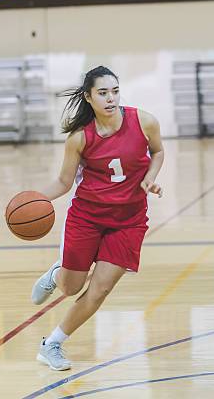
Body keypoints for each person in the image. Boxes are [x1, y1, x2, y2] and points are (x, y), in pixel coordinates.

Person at [30, 66, 164, 370]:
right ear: (89, 98)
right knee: (71, 288)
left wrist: (151, 178)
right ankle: (57, 274)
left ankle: (51, 345)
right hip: (87, 218)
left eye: (115, 91)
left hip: (129, 221)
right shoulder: (79, 138)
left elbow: (157, 152)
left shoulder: (144, 121)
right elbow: (64, 182)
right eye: (103, 93)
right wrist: (33, 198)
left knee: (101, 289)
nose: (111, 98)